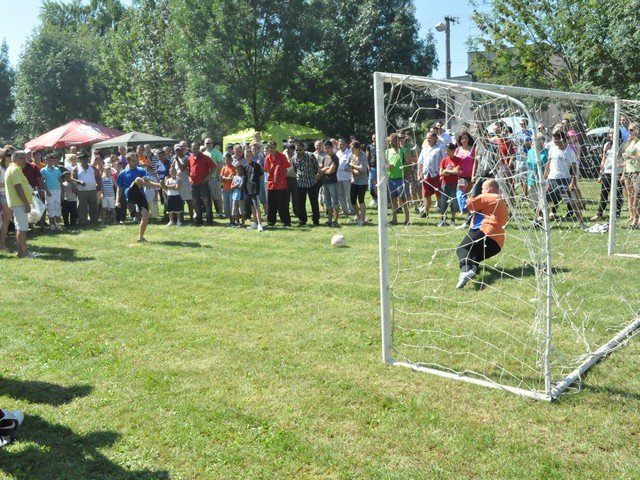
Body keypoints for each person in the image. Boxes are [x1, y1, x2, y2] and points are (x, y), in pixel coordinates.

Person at [454, 178, 509, 289]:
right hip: (497, 244)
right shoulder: (501, 201)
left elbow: (464, 206)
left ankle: (465, 271)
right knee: (473, 256)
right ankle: (473, 268)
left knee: (462, 249)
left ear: (488, 189)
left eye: (482, 189)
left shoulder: (488, 196)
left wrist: (460, 190)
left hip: (485, 231)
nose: (481, 191)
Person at [116, 152, 164, 242]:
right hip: (129, 193)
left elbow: (147, 182)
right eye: (133, 161)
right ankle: (160, 185)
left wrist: (149, 180)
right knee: (138, 179)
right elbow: (119, 188)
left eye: (136, 161)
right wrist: (117, 200)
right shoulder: (123, 173)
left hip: (140, 195)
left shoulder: (141, 170)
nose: (136, 162)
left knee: (146, 215)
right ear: (128, 161)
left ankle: (141, 237)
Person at [544, 129, 585, 228]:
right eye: (553, 139)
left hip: (564, 180)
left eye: (556, 139)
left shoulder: (570, 151)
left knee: (572, 202)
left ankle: (581, 223)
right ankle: (537, 220)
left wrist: (572, 182)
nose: (554, 141)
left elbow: (574, 167)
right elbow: (548, 163)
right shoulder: (552, 149)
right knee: (544, 201)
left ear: (562, 139)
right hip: (551, 180)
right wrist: (545, 177)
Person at [5, 150, 34, 258]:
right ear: (15, 159)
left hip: (17, 203)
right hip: (19, 203)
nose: (25, 161)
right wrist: (26, 203)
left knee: (19, 228)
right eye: (23, 158)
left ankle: (21, 252)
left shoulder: (13, 168)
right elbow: (18, 187)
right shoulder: (15, 169)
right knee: (22, 229)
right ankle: (25, 253)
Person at [592, 129, 624, 222]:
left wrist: (623, 173)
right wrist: (600, 174)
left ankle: (617, 213)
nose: (611, 134)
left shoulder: (622, 145)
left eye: (613, 132)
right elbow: (603, 159)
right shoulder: (607, 144)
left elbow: (624, 159)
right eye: (610, 133)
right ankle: (599, 214)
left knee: (618, 193)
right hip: (607, 172)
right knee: (604, 193)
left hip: (618, 172)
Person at [263, 140, 292, 227]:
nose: (272, 149)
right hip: (271, 185)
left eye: (273, 147)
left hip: (281, 185)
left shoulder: (282, 156)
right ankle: (271, 221)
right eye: (270, 148)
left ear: (276, 147)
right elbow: (266, 170)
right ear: (268, 148)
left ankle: (286, 222)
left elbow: (287, 168)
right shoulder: (267, 158)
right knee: (271, 205)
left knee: (283, 205)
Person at [292, 141, 320, 226]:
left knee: (314, 202)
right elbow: (295, 169)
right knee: (300, 203)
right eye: (296, 150)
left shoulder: (310, 156)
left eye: (300, 149)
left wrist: (313, 175)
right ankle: (302, 220)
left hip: (311, 182)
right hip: (300, 183)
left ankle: (316, 220)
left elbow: (315, 167)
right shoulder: (294, 158)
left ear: (304, 149)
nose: (298, 151)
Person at [188, 141, 217, 225]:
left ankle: (209, 221)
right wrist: (189, 178)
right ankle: (199, 220)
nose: (195, 150)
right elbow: (188, 169)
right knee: (196, 203)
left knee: (207, 203)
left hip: (203, 183)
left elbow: (214, 167)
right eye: (193, 148)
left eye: (196, 148)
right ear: (191, 149)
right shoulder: (190, 158)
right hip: (193, 184)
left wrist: (208, 177)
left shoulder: (205, 157)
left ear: (199, 148)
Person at [386, 133, 411, 225]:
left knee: (404, 199)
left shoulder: (404, 151)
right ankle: (394, 219)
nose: (392, 143)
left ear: (398, 141)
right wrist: (387, 166)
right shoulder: (387, 151)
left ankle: (407, 219)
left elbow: (409, 164)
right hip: (390, 179)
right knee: (393, 200)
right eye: (390, 141)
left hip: (401, 179)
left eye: (394, 141)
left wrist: (407, 177)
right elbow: (385, 164)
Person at [418, 131, 443, 220]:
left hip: (436, 174)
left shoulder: (440, 148)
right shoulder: (424, 149)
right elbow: (420, 162)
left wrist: (442, 173)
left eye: (430, 137)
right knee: (426, 194)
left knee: (439, 194)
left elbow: (444, 160)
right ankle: (426, 212)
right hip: (426, 175)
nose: (428, 139)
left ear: (435, 138)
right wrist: (419, 173)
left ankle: (442, 212)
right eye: (427, 137)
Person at [73, 152, 102, 226]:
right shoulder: (76, 168)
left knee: (93, 206)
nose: (85, 160)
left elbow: (98, 177)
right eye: (83, 159)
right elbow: (72, 178)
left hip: (92, 190)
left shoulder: (93, 167)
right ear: (80, 160)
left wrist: (99, 187)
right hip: (81, 191)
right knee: (82, 207)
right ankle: (83, 221)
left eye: (86, 158)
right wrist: (79, 182)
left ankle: (94, 220)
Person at [621, 123, 640, 229]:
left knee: (636, 196)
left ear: (637, 130)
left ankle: (636, 219)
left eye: (631, 130)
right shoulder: (629, 142)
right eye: (628, 130)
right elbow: (626, 159)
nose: (629, 132)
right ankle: (632, 216)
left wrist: (629, 156)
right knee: (630, 195)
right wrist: (623, 171)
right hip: (628, 170)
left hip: (636, 171)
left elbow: (638, 157)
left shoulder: (639, 142)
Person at [437, 143, 461, 227]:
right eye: (445, 150)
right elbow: (440, 173)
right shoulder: (444, 160)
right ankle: (443, 219)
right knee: (443, 202)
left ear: (453, 150)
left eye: (448, 150)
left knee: (453, 202)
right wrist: (449, 172)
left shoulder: (458, 160)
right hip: (444, 184)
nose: (446, 152)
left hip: (454, 184)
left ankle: (453, 219)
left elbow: (457, 171)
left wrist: (446, 171)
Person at [318, 140, 340, 227]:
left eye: (328, 148)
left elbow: (330, 171)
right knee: (327, 203)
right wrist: (325, 168)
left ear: (332, 148)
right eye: (325, 148)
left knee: (335, 203)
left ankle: (336, 221)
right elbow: (319, 170)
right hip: (325, 183)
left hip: (333, 183)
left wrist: (324, 169)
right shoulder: (324, 158)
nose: (326, 150)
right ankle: (329, 220)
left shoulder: (335, 158)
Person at [348, 141, 369, 225]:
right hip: (354, 181)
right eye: (350, 148)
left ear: (358, 149)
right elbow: (346, 166)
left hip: (362, 182)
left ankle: (362, 219)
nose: (351, 150)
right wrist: (354, 171)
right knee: (352, 200)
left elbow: (363, 169)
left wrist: (352, 165)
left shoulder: (363, 156)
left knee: (361, 200)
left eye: (352, 148)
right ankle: (358, 216)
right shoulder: (351, 155)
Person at [41, 153, 63, 230]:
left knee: (57, 206)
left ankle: (57, 224)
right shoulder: (43, 170)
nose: (51, 162)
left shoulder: (57, 169)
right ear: (46, 161)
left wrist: (62, 190)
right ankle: (51, 224)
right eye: (49, 160)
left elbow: (60, 180)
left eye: (52, 161)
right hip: (49, 190)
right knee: (50, 206)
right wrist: (47, 190)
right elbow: (43, 182)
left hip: (57, 190)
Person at [244, 148, 265, 231]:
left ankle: (260, 224)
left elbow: (261, 176)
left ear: (252, 156)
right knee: (252, 206)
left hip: (255, 189)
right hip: (248, 189)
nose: (248, 157)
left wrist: (255, 184)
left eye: (249, 155)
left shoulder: (256, 165)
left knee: (257, 207)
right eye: (246, 156)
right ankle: (255, 223)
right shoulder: (245, 166)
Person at [171, 144, 193, 221]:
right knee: (180, 201)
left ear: (182, 150)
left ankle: (191, 217)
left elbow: (182, 168)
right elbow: (172, 168)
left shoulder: (186, 158)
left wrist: (177, 160)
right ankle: (181, 218)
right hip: (178, 182)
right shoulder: (175, 159)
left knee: (189, 200)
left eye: (179, 150)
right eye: (176, 150)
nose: (178, 152)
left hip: (185, 182)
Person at [0, 146, 14, 250]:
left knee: (7, 221)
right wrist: (9, 184)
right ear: (3, 156)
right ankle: (3, 244)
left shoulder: (10, 168)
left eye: (11, 155)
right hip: (3, 195)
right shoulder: (0, 169)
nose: (10, 157)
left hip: (10, 195)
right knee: (6, 220)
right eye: (8, 155)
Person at [219, 153, 236, 222]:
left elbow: (232, 179)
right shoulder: (224, 168)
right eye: (226, 160)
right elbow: (220, 178)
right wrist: (226, 178)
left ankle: (232, 216)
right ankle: (227, 216)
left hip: (231, 189)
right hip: (224, 189)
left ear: (231, 160)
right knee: (225, 204)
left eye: (229, 160)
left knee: (231, 204)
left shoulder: (234, 168)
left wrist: (224, 178)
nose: (228, 161)